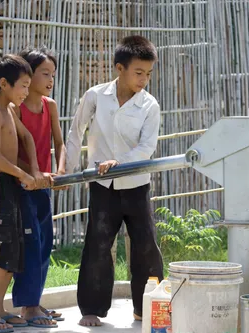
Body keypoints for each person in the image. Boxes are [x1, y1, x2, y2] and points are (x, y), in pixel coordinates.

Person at [65, 35, 164, 327]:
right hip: (102, 186)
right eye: (138, 72)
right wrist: (65, 172)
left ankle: (146, 309)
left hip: (136, 184)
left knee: (146, 246)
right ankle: (92, 309)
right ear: (119, 68)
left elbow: (147, 148)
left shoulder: (150, 106)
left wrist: (120, 164)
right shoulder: (95, 96)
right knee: (98, 244)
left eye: (148, 74)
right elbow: (75, 132)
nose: (144, 79)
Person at [0, 54, 52, 333]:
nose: (25, 92)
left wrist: (34, 169)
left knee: (13, 248)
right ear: (4, 83)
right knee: (0, 249)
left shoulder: (9, 110)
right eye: (22, 86)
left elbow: (27, 138)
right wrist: (24, 175)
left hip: (13, 186)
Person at [10, 47, 67, 328]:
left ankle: (35, 301)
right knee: (30, 243)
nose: (50, 79)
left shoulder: (50, 106)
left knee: (45, 243)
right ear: (28, 75)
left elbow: (59, 141)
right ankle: (27, 307)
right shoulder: (15, 107)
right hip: (22, 184)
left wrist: (61, 169)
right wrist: (34, 173)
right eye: (45, 73)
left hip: (44, 184)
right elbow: (14, 150)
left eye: (53, 74)